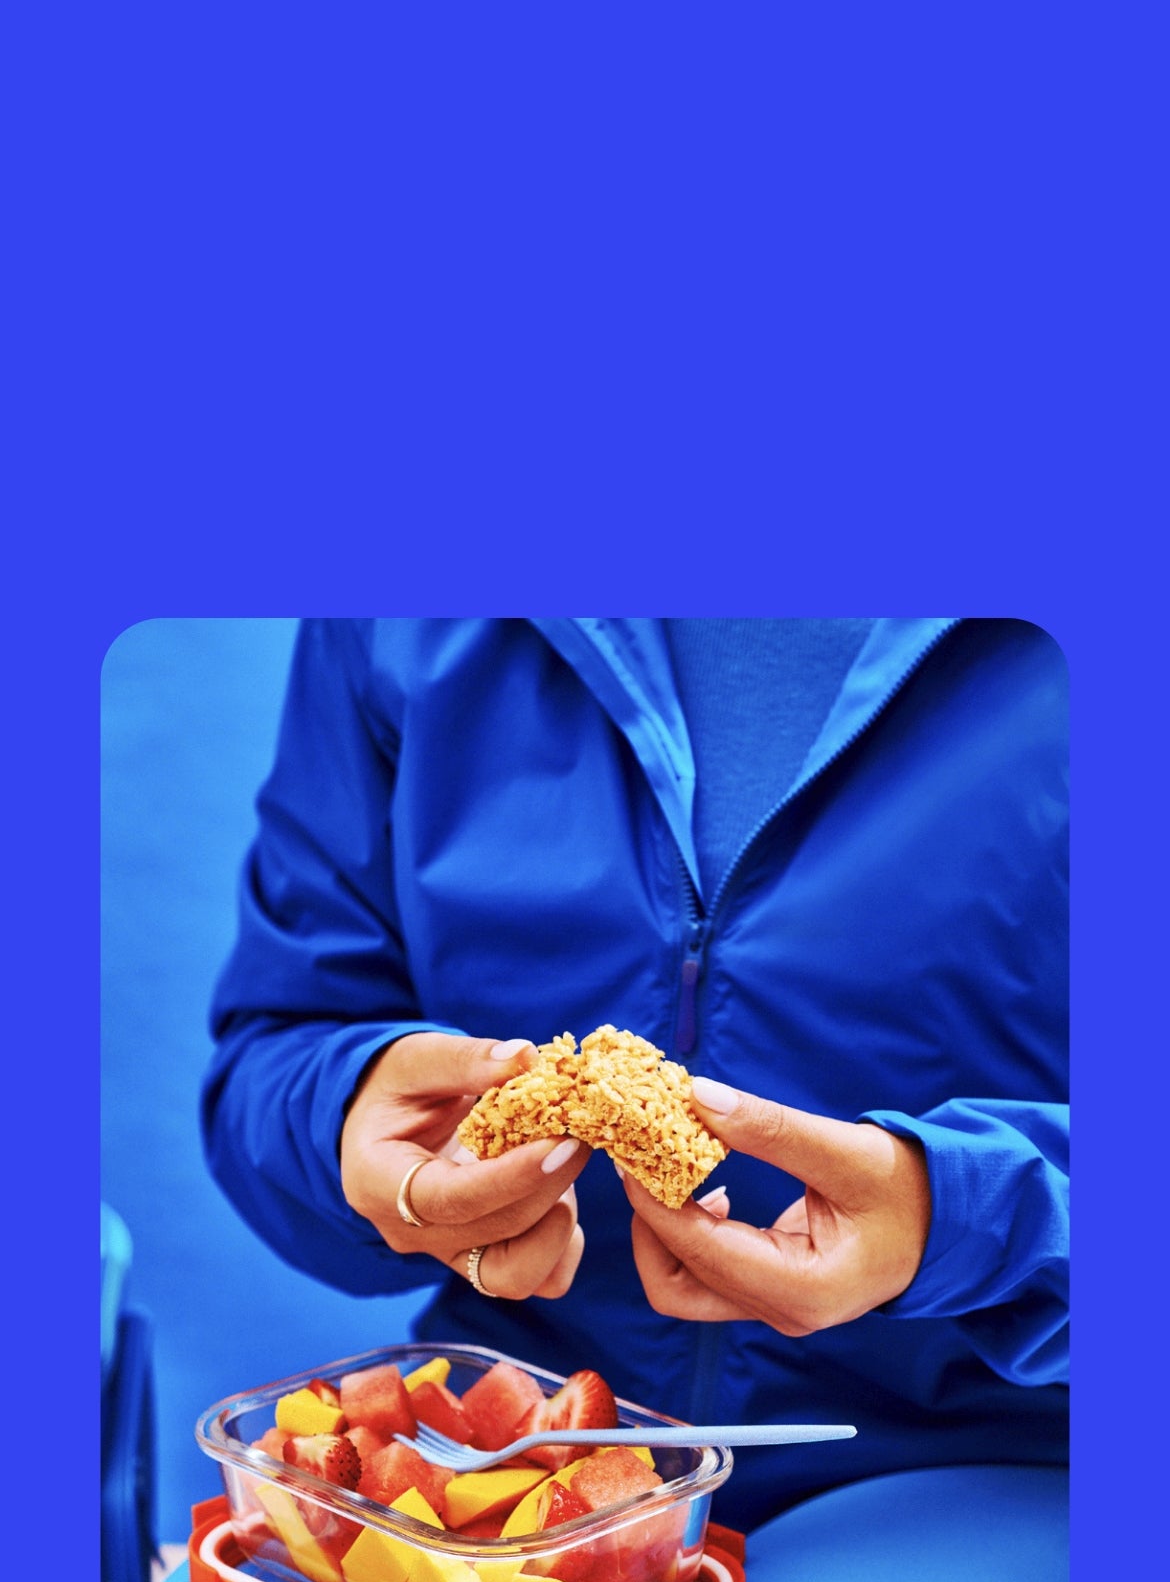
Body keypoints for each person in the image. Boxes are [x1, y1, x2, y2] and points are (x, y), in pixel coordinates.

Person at [201, 618, 1068, 1533]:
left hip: (985, 1492)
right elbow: (277, 1046)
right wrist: (349, 1115)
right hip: (526, 1470)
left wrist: (971, 1217)